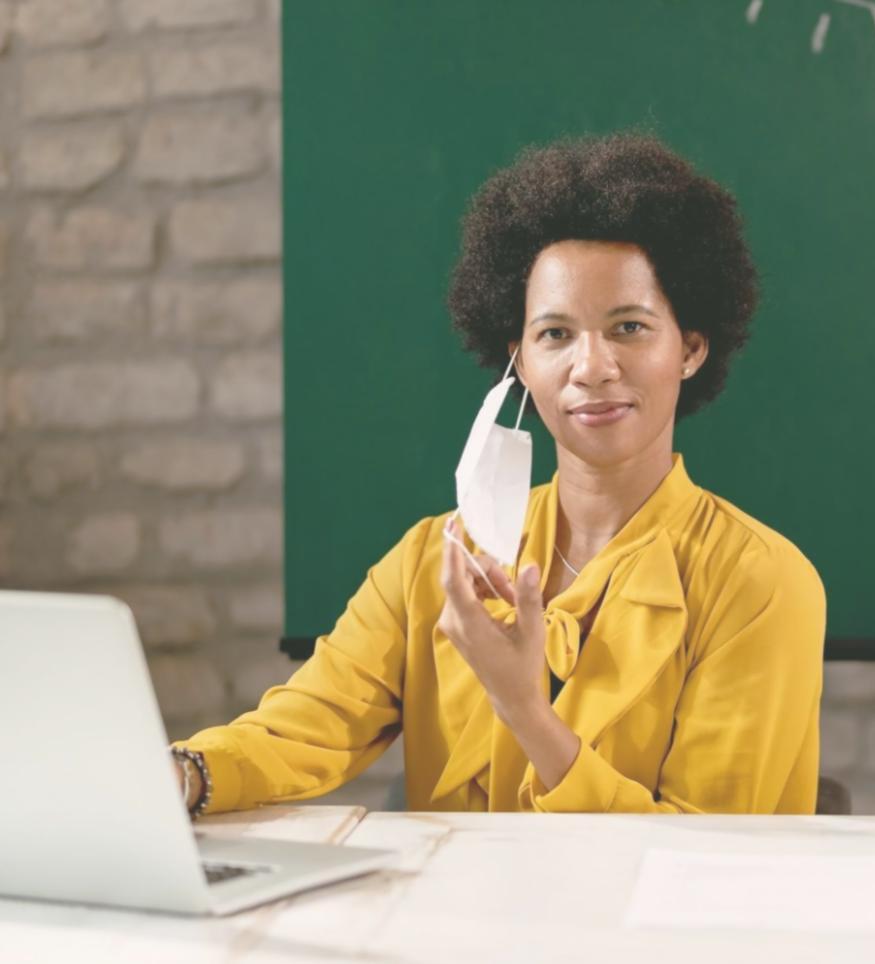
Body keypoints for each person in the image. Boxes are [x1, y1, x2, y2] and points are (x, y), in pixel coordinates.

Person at [169, 133, 827, 815]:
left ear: (688, 349)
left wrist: (524, 711)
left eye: (629, 327)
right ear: (517, 361)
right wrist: (181, 775)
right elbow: (299, 732)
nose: (591, 367)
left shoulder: (760, 583)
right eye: (555, 334)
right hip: (452, 922)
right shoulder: (436, 561)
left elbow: (706, 860)